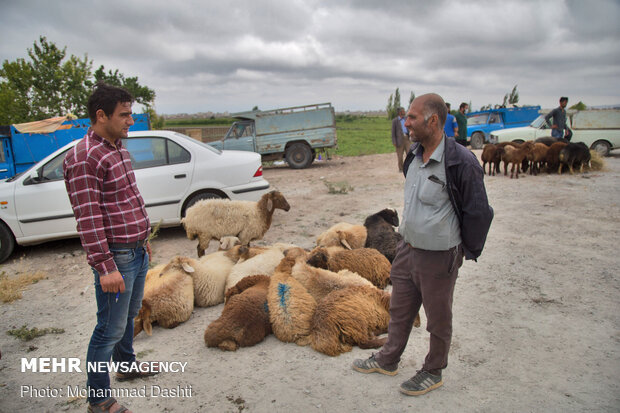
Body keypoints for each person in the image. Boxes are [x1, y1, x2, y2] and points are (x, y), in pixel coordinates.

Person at [352, 93, 493, 396]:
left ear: (433, 121)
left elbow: (479, 212)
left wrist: (463, 250)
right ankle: (388, 359)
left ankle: (433, 370)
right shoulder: (414, 155)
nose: (406, 122)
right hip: (407, 249)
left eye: (412, 118)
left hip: (439, 256)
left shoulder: (461, 162)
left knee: (437, 319)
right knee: (400, 311)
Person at [64, 83, 156, 413]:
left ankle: (127, 366)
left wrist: (144, 241)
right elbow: (88, 218)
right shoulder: (86, 157)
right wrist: (105, 267)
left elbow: (127, 200)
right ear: (101, 116)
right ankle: (99, 400)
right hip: (116, 257)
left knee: (129, 316)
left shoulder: (115, 147)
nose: (131, 121)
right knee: (109, 329)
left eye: (131, 113)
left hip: (135, 251)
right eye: (125, 115)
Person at [391, 107, 411, 172]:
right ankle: (401, 169)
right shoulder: (395, 121)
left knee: (409, 154)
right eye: (403, 111)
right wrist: (394, 141)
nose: (404, 112)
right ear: (400, 112)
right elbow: (393, 132)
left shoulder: (406, 119)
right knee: (400, 156)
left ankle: (409, 167)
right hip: (399, 140)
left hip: (407, 139)